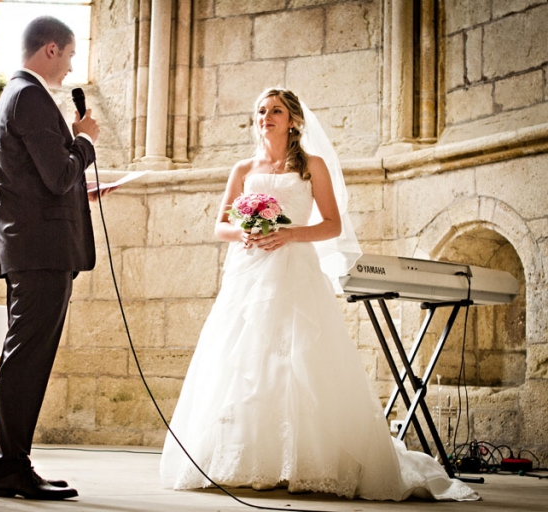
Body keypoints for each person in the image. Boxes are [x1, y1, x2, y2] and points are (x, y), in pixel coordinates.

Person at [159, 87, 480, 501]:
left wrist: (290, 233)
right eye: (260, 110)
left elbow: (330, 224)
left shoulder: (313, 165)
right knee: (244, 358)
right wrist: (245, 231)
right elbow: (220, 225)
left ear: (293, 119)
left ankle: (309, 460)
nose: (266, 117)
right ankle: (247, 458)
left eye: (275, 110)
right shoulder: (243, 168)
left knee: (298, 357)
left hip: (295, 268)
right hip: (248, 271)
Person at [0, 16, 113, 500]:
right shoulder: (31, 97)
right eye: (72, 54)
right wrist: (84, 141)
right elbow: (60, 175)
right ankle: (9, 466)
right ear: (53, 50)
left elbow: (40, 181)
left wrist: (82, 192)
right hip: (40, 252)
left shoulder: (15, 97)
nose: (73, 65)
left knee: (21, 355)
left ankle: (6, 462)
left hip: (29, 246)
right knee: (27, 358)